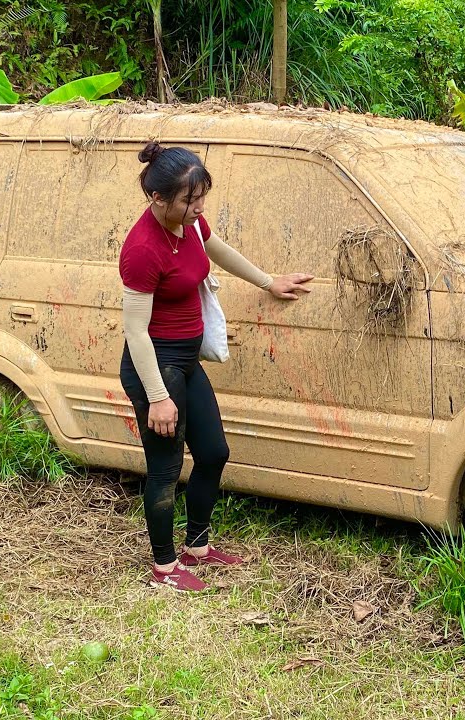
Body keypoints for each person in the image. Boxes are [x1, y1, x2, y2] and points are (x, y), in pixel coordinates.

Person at [119, 142, 314, 591]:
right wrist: (158, 397)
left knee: (213, 453)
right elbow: (135, 332)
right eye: (190, 200)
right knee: (165, 469)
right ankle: (164, 567)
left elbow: (217, 249)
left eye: (202, 196)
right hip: (157, 368)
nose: (199, 207)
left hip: (186, 362)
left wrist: (269, 281)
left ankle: (197, 547)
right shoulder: (143, 249)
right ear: (158, 199)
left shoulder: (189, 224)